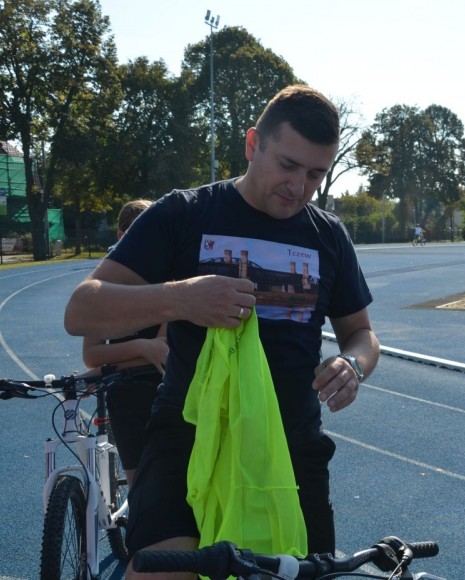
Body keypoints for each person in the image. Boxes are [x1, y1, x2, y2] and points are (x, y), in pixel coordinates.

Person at [64, 85, 381, 579]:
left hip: (290, 447)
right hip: (189, 441)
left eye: (316, 173)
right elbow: (81, 311)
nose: (299, 186)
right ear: (253, 144)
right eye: (288, 165)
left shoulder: (328, 236)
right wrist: (180, 297)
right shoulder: (184, 213)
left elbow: (361, 333)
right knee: (160, 572)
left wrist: (353, 364)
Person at [82, 199, 168, 486]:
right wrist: (141, 348)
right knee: (139, 487)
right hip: (126, 391)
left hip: (165, 388)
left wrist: (109, 364)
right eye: (134, 234)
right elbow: (92, 355)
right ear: (121, 237)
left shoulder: (170, 279)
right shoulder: (103, 284)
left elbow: (163, 351)